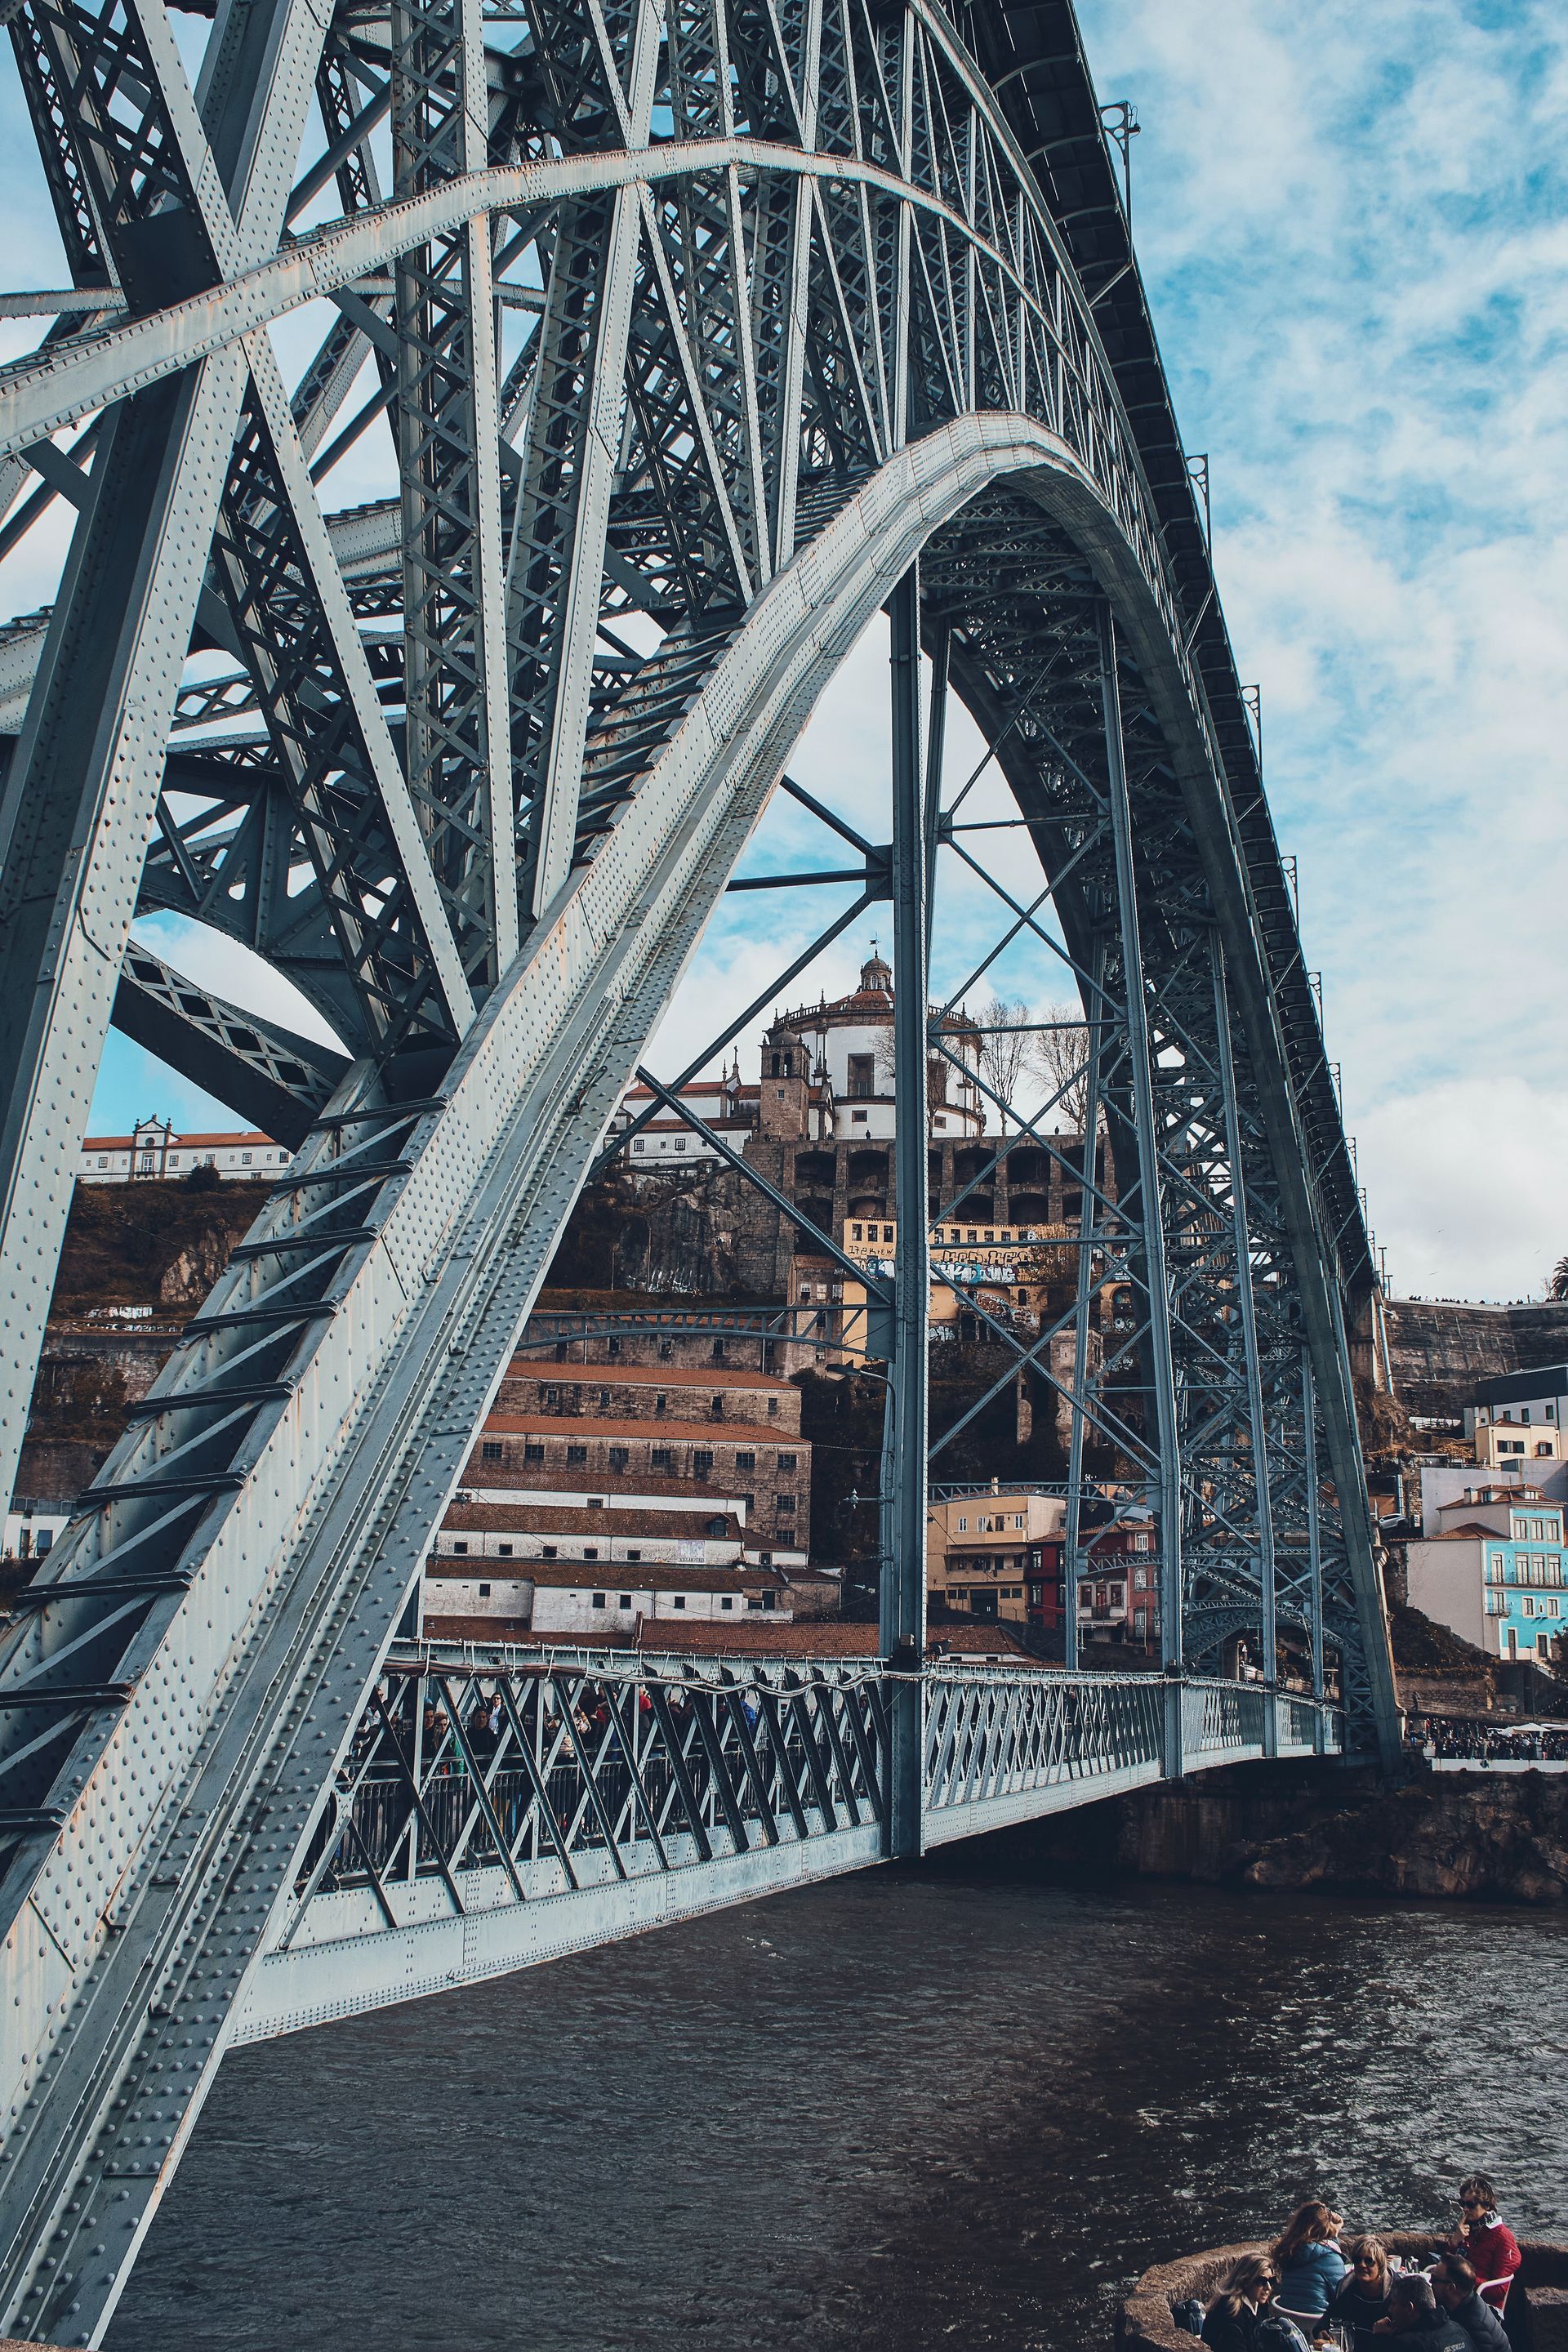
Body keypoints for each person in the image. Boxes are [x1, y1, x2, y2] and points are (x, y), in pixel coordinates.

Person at [1202, 2256, 1309, 2352]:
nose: (1268, 2287)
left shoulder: (1258, 2304)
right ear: (1245, 2281)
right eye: (1261, 2281)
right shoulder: (1231, 2312)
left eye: (1271, 2281)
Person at [1446, 2176, 1521, 2301]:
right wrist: (1454, 2242)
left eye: (1471, 2205)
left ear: (1487, 2206)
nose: (1465, 2209)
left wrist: (1462, 2279)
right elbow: (1446, 2264)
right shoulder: (1466, 2230)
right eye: (1462, 2204)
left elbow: (1499, 2290)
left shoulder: (1503, 2237)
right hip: (1456, 2295)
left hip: (1481, 2303)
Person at [1273, 2203, 1349, 2319]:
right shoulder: (1331, 2258)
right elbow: (1342, 2298)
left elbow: (1316, 2250)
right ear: (1326, 2228)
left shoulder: (1288, 2253)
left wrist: (1334, 2235)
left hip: (1288, 2322)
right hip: (1318, 2324)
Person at [1431, 2256, 1510, 2352]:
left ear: (1451, 2288)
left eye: (1434, 2279)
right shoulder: (1459, 2302)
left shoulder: (1476, 2327)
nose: (1430, 2282)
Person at [1328, 2236, 1394, 2349]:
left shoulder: (1395, 2293)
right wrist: (1321, 2330)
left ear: (1380, 2265)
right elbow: (1330, 2316)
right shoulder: (1346, 2287)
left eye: (1369, 2261)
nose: (1362, 2265)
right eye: (1357, 2260)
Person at [1374, 2273, 1468, 2346]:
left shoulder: (1408, 2343)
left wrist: (1381, 2338)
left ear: (1409, 2308)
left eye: (1394, 2304)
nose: (1390, 2309)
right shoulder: (1458, 2329)